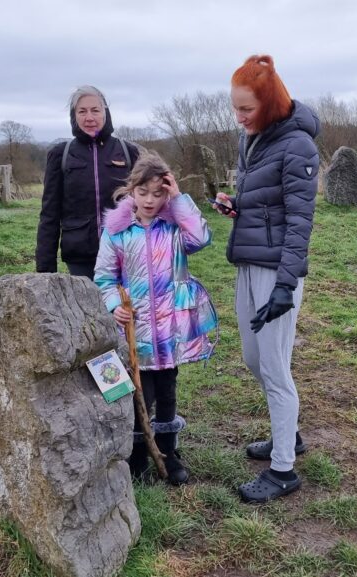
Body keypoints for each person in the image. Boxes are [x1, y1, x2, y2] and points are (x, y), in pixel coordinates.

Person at [211, 55, 320, 503]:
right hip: (249, 262)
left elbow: (299, 222)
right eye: (235, 108)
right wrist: (237, 206)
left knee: (275, 369)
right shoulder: (251, 138)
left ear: (270, 103)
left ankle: (283, 471)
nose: (239, 118)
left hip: (278, 270)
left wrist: (284, 285)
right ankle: (287, 434)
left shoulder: (298, 146)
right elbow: (266, 203)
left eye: (247, 109)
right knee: (255, 360)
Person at [94, 151, 218, 485]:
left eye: (158, 193)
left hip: (170, 330)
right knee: (138, 395)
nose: (150, 200)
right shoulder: (118, 232)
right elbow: (104, 277)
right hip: (136, 331)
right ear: (131, 190)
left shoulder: (175, 227)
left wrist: (178, 199)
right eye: (143, 192)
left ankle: (168, 452)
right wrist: (111, 305)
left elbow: (202, 238)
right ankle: (137, 455)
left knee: (167, 393)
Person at [36, 85, 141, 279]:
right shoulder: (61, 154)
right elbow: (49, 214)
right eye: (82, 111)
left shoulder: (128, 152)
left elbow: (147, 204)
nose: (89, 117)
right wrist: (45, 271)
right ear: (74, 115)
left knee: (123, 309)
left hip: (124, 251)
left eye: (95, 110)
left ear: (105, 113)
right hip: (79, 256)